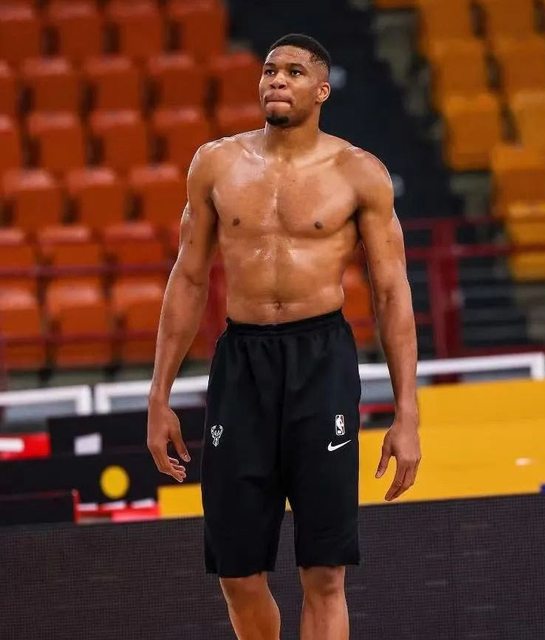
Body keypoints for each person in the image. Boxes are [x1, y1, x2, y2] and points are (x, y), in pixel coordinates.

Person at [147, 33, 421, 640]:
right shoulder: (216, 163)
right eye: (270, 69)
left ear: (321, 90)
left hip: (321, 362)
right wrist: (158, 395)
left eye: (294, 72)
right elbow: (188, 278)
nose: (276, 79)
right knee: (237, 571)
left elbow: (391, 294)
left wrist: (408, 414)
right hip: (242, 363)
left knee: (324, 570)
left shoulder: (359, 173)